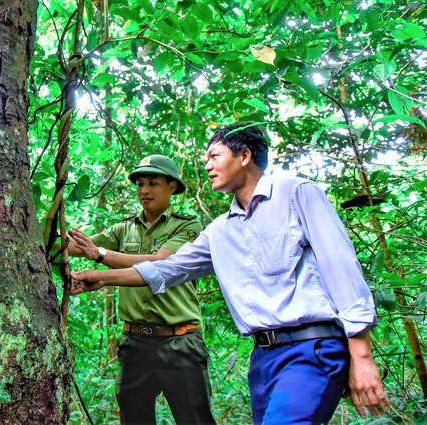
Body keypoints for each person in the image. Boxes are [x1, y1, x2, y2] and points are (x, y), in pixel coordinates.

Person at [70, 125, 390, 424]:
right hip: (263, 359)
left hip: (312, 348)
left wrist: (360, 354)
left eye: (214, 156)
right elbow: (168, 270)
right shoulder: (220, 230)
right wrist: (103, 277)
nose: (207, 166)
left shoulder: (296, 194)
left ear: (244, 156)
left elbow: (341, 266)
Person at [67, 154, 216, 424]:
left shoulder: (187, 225)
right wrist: (39, 230)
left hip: (179, 341)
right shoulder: (124, 228)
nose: (144, 190)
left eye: (152, 182)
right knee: (134, 419)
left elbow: (162, 262)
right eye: (139, 184)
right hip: (135, 343)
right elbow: (78, 246)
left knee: (194, 418)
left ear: (171, 186)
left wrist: (100, 256)